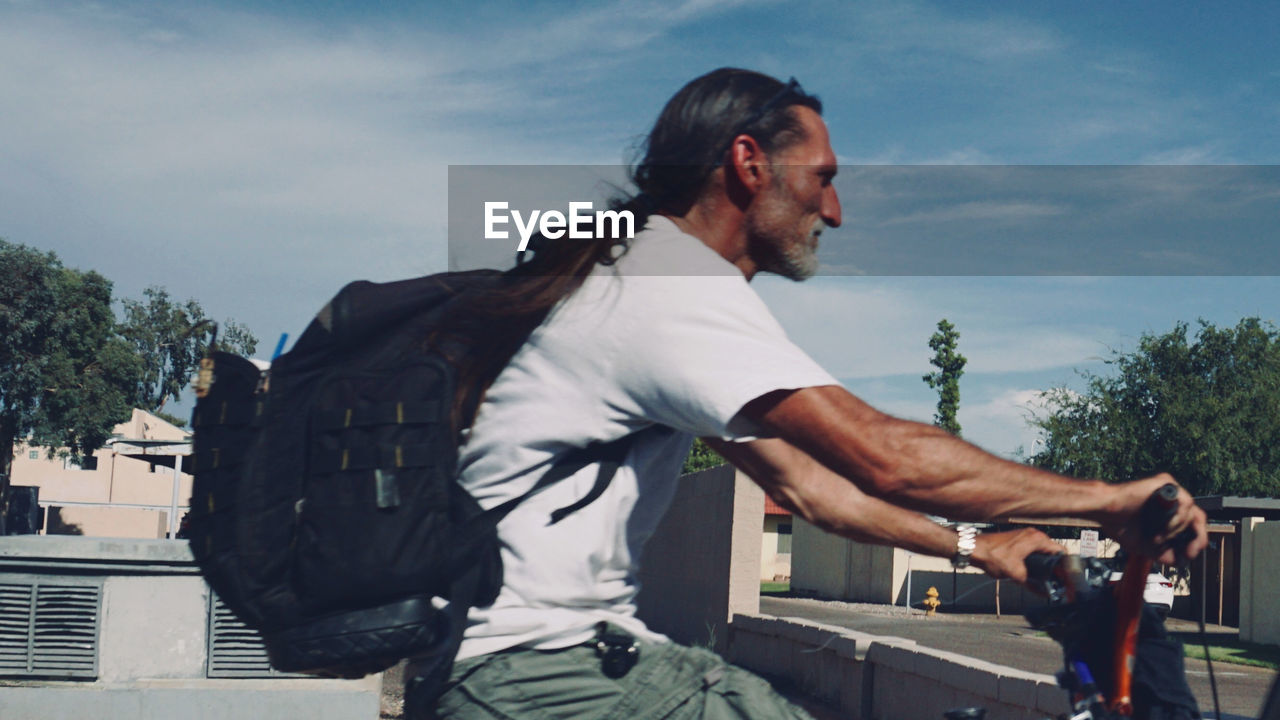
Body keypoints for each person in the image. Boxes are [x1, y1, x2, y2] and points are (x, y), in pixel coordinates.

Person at [422, 68, 1209, 720]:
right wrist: (1110, 501)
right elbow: (888, 458)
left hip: (497, 672)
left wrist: (981, 547)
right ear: (748, 163)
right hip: (538, 675)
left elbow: (812, 488)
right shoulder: (670, 284)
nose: (832, 210)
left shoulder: (629, 274)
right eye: (822, 180)